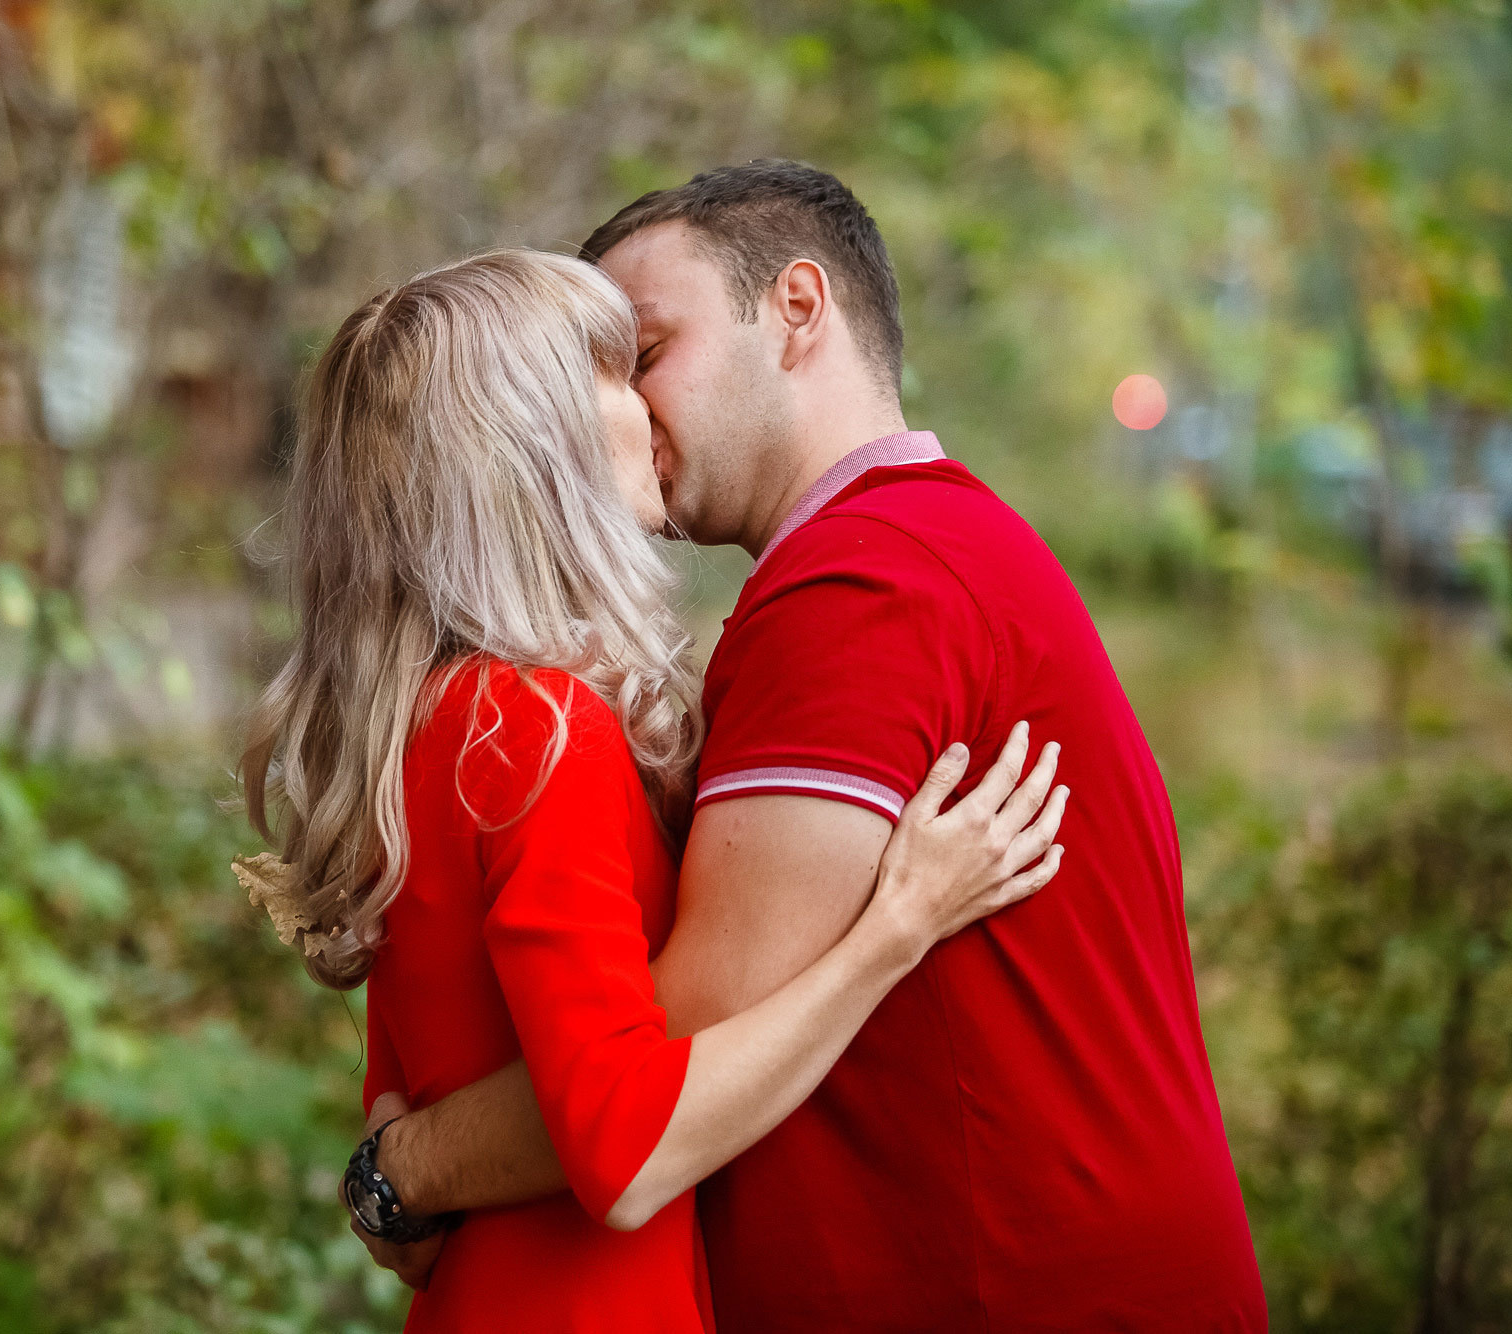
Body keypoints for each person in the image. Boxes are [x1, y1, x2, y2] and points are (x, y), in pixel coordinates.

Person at [350, 163, 1270, 1332]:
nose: (624, 408)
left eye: (644, 350)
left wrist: (404, 1170)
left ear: (795, 309)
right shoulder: (926, 550)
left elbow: (652, 1068)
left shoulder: (864, 584)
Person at [240, 247, 1068, 1333]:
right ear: (538, 441)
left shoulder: (427, 720)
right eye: (616, 372)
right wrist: (896, 923)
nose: (648, 409)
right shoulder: (540, 730)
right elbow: (623, 1153)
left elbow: (401, 1104)